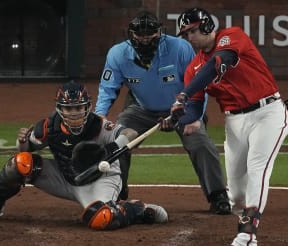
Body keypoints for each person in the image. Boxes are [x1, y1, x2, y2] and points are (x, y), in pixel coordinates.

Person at [171, 7, 288, 246]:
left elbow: (217, 64)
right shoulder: (192, 68)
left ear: (206, 26)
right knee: (236, 194)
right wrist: (178, 117)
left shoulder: (231, 36)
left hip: (268, 113)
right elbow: (193, 107)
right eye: (186, 33)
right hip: (234, 122)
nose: (190, 37)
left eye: (193, 30)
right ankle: (246, 227)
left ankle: (246, 240)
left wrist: (183, 94)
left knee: (257, 170)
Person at [0, 81, 168, 230]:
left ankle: (137, 209)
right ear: (60, 109)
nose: (74, 113)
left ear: (87, 107)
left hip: (100, 180)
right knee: (21, 163)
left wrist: (112, 147)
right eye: (69, 108)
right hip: (64, 178)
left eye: (79, 108)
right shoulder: (48, 127)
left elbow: (130, 133)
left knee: (100, 218)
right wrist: (23, 141)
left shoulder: (99, 125)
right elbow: (25, 150)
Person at [94, 11, 231, 215]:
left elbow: (198, 83)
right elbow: (108, 88)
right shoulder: (118, 54)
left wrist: (195, 117)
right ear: (131, 35)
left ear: (160, 33)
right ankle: (116, 193)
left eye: (151, 35)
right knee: (118, 141)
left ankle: (218, 195)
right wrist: (100, 114)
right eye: (140, 36)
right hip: (141, 109)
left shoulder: (180, 48)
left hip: (181, 106)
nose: (145, 39)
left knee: (200, 142)